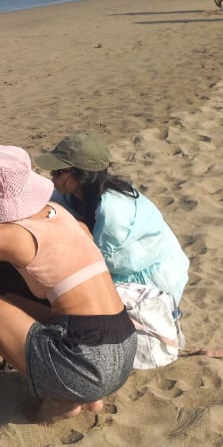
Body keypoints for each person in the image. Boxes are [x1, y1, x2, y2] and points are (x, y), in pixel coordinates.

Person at [0, 145, 137, 423]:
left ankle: (57, 399)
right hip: (125, 347)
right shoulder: (60, 212)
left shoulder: (2, 237)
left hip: (86, 359)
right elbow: (85, 236)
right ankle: (88, 392)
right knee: (13, 301)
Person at [33, 133, 189, 321]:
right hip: (123, 272)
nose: (52, 177)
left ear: (81, 175)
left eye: (58, 172)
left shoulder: (112, 210)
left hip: (151, 281)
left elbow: (103, 262)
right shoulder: (75, 195)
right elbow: (44, 206)